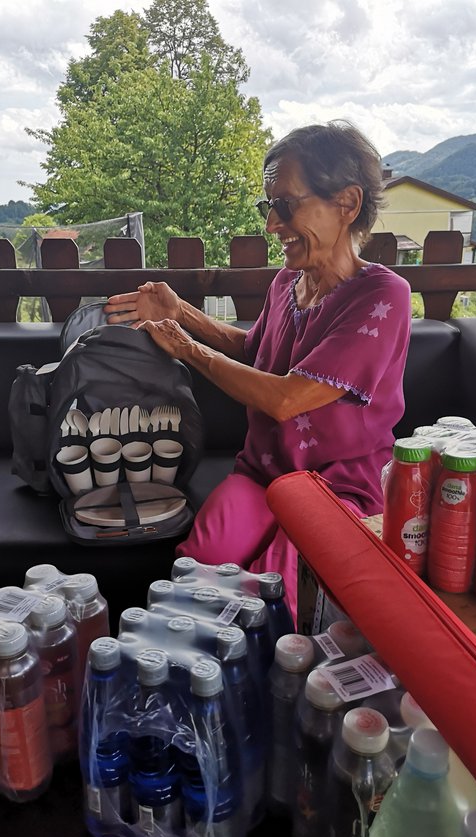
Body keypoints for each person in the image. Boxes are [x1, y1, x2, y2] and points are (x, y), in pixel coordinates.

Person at [104, 121, 411, 619]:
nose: (272, 224)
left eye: (285, 204)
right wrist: (182, 312)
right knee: (190, 582)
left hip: (334, 488)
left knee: (270, 601)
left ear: (347, 204)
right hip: (262, 473)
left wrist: (187, 349)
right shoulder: (287, 283)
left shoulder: (381, 296)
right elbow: (256, 354)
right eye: (268, 206)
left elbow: (286, 398)